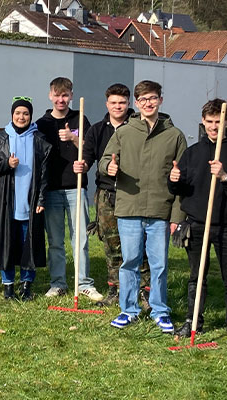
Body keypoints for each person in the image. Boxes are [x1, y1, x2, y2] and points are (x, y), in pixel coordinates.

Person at [98, 80, 185, 333]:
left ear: (160, 100)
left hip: (160, 210)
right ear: (136, 103)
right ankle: (129, 309)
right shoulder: (124, 132)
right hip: (129, 209)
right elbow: (104, 160)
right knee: (130, 262)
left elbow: (183, 177)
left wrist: (177, 215)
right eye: (143, 99)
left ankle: (159, 310)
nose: (148, 103)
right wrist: (109, 168)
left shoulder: (174, 135)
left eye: (152, 98)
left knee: (158, 265)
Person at [167, 99, 227, 350]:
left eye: (219, 122)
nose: (214, 127)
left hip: (226, 225)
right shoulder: (193, 152)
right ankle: (193, 321)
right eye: (210, 122)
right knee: (197, 277)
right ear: (203, 122)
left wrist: (225, 176)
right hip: (197, 224)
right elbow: (179, 188)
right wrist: (174, 180)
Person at [35, 77, 101, 301]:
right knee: (55, 239)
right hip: (51, 190)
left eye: (65, 95)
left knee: (80, 238)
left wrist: (73, 138)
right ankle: (58, 283)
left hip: (76, 186)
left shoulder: (79, 118)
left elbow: (90, 149)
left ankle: (83, 283)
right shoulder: (42, 123)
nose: (61, 99)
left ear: (71, 96)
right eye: (57, 94)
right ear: (50, 96)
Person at [83, 83, 146, 308]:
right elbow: (89, 156)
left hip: (134, 193)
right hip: (107, 194)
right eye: (113, 102)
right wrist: (82, 165)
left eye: (122, 102)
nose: (117, 106)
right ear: (106, 103)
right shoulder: (97, 130)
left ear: (129, 103)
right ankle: (115, 289)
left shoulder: (140, 127)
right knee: (111, 244)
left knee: (139, 244)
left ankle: (142, 292)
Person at [0, 97, 51, 300]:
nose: (21, 117)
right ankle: (8, 287)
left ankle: (26, 285)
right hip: (8, 202)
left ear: (30, 116)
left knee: (28, 245)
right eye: (17, 113)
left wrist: (40, 200)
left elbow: (44, 174)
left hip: (30, 203)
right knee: (7, 245)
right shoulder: (1, 137)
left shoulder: (39, 139)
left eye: (25, 113)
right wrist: (7, 163)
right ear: (12, 115)